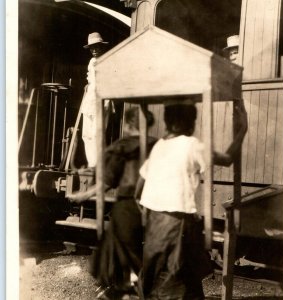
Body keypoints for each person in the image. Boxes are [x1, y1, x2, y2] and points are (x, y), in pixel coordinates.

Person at [135, 98, 248, 300]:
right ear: (189, 122)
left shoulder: (160, 146)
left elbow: (139, 188)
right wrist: (242, 130)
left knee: (159, 278)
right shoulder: (192, 145)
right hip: (177, 223)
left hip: (154, 224)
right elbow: (227, 159)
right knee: (179, 281)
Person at [69, 107, 157, 299]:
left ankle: (127, 292)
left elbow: (107, 182)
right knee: (137, 253)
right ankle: (127, 291)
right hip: (154, 206)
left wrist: (83, 196)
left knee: (121, 253)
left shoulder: (122, 146)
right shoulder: (157, 145)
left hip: (127, 207)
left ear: (127, 124)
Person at [81, 32, 109, 168]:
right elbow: (90, 78)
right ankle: (92, 163)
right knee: (86, 134)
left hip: (102, 99)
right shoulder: (91, 62)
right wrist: (88, 84)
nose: (94, 50)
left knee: (97, 133)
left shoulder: (108, 60)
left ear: (101, 47)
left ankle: (98, 165)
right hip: (89, 101)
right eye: (92, 48)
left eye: (97, 47)